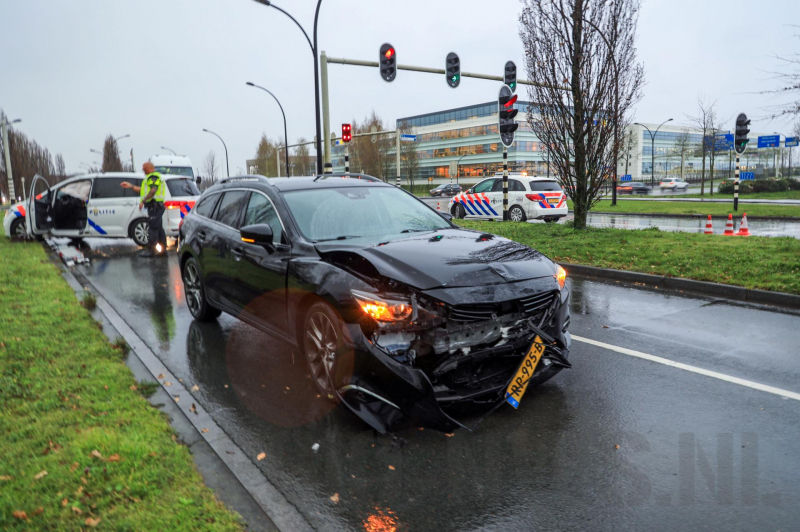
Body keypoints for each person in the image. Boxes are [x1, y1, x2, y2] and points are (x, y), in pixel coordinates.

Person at [121, 162, 166, 257]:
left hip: (155, 206)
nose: (143, 170)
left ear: (149, 168)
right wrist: (131, 186)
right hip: (155, 207)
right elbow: (143, 189)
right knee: (159, 228)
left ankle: (151, 251)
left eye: (144, 168)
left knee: (153, 228)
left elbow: (153, 190)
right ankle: (163, 251)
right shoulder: (150, 177)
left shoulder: (153, 176)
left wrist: (143, 201)